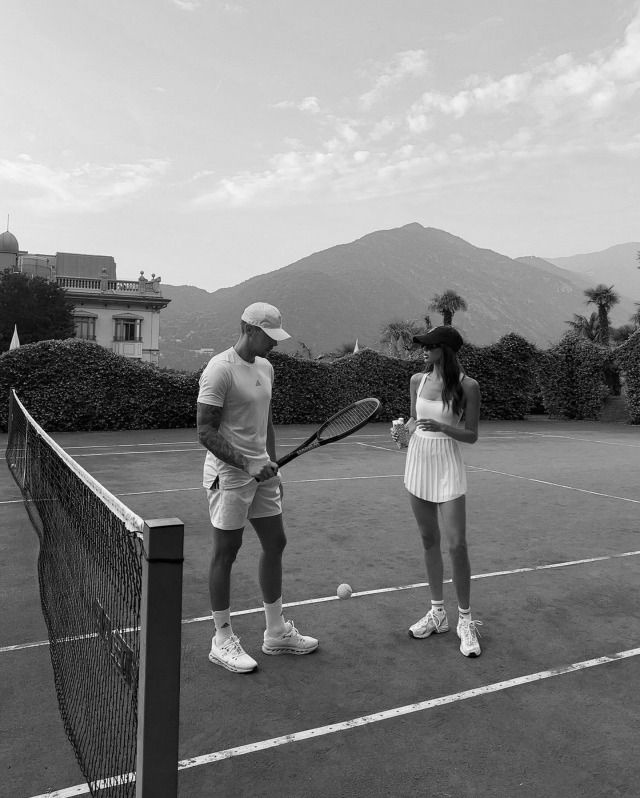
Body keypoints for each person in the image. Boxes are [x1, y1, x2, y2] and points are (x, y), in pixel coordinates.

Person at [197, 302, 318, 673]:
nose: (276, 344)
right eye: (270, 337)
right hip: (229, 476)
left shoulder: (266, 367)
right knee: (226, 552)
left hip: (262, 474)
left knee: (275, 542)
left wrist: (273, 463)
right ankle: (221, 639)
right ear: (248, 329)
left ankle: (276, 632)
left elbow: (265, 423)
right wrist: (247, 463)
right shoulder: (220, 370)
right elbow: (205, 431)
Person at [395, 325, 482, 657]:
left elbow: (471, 435)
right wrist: (403, 433)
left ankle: (465, 620)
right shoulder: (417, 380)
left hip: (447, 464)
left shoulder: (468, 386)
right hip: (418, 461)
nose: (424, 351)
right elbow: (414, 424)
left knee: (457, 544)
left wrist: (444, 427)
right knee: (429, 540)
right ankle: (437, 613)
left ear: (444, 349)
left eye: (429, 346)